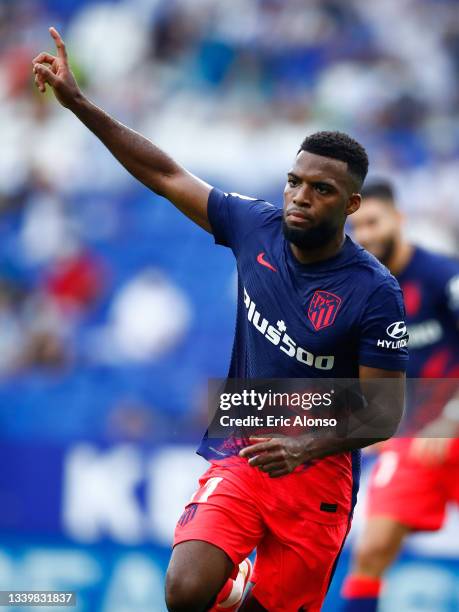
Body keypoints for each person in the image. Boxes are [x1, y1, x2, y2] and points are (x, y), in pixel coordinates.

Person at [33, 28, 408, 612]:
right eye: (293, 182)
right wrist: (80, 105)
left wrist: (306, 446)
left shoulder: (374, 291)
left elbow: (385, 410)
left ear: (351, 205)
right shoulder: (254, 227)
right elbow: (165, 175)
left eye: (320, 189)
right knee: (184, 590)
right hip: (246, 445)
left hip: (318, 478)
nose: (300, 197)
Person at [342, 180, 459, 612]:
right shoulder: (365, 294)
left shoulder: (443, 277)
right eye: (358, 227)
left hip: (452, 423)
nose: (367, 234)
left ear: (399, 219)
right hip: (417, 437)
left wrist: (451, 419)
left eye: (374, 221)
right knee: (370, 550)